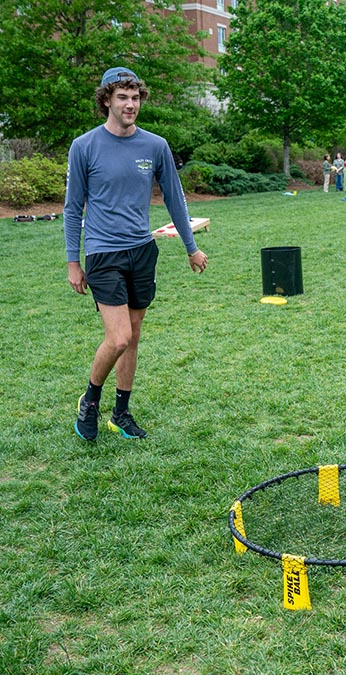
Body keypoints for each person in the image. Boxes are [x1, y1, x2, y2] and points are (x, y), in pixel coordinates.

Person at [65, 66, 208, 441]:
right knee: (119, 338)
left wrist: (191, 248)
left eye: (135, 97)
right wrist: (72, 262)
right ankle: (90, 400)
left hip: (141, 251)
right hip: (102, 254)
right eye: (122, 97)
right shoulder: (84, 146)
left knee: (135, 333)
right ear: (107, 101)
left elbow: (175, 198)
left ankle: (121, 412)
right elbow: (72, 207)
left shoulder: (155, 146)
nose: (130, 105)